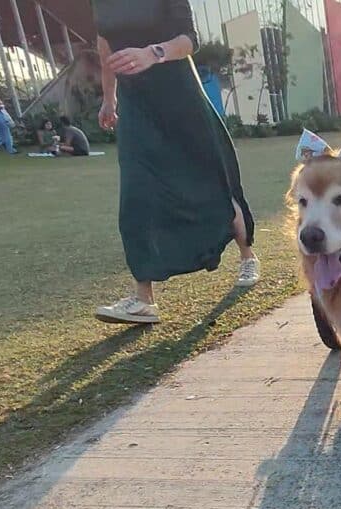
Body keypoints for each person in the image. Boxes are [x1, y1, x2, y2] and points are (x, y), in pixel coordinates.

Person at [91, 0, 259, 324]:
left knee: (212, 179)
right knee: (136, 193)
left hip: (179, 98)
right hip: (137, 106)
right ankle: (143, 299)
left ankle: (247, 255)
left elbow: (188, 40)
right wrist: (108, 98)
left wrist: (152, 53)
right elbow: (105, 49)